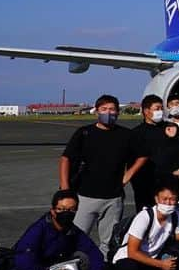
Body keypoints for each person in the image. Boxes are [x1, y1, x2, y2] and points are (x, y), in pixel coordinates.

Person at [58, 94, 145, 260]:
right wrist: (65, 188)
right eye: (104, 109)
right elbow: (65, 159)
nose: (108, 112)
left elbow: (143, 156)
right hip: (85, 197)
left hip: (113, 199)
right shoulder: (84, 133)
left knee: (109, 241)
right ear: (96, 111)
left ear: (118, 112)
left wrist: (128, 175)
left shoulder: (126, 135)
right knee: (76, 238)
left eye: (112, 109)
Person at [112, 178, 179, 270]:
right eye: (164, 199)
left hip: (154, 257)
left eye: (172, 199)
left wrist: (173, 254)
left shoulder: (176, 215)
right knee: (128, 267)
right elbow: (132, 252)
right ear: (156, 199)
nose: (168, 203)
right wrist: (161, 264)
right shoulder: (145, 217)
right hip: (130, 258)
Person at [127, 94, 168, 212]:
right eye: (157, 109)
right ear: (146, 111)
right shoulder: (136, 133)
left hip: (165, 183)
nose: (160, 111)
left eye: (161, 109)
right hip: (144, 184)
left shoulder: (168, 129)